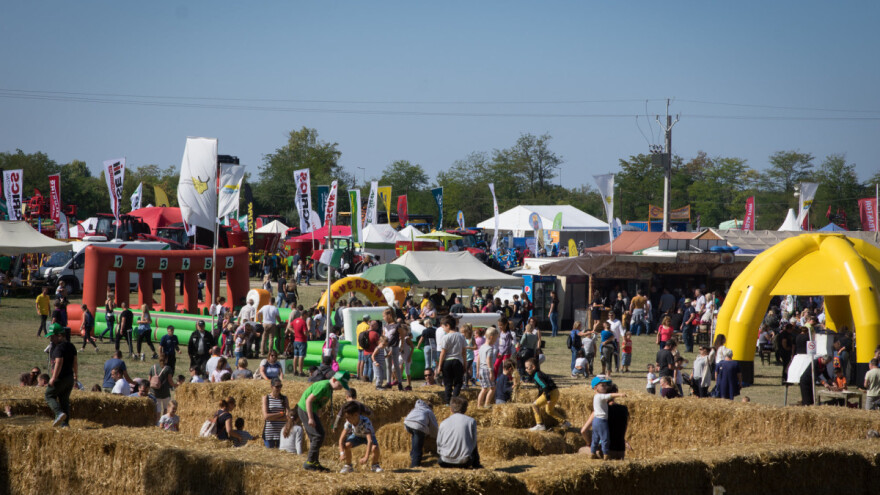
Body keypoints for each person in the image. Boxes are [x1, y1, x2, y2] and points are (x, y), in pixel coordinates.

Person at [295, 371, 350, 472]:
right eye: (340, 384)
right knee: (318, 436)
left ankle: (315, 462)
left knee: (318, 435)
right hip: (304, 409)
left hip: (311, 411)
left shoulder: (329, 389)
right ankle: (310, 462)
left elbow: (318, 401)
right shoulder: (323, 386)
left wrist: (317, 413)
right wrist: (311, 418)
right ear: (334, 380)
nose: (341, 388)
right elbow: (308, 400)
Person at [581, 377, 626, 460]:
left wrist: (588, 443)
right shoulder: (624, 409)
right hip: (621, 450)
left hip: (606, 451)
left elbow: (583, 431)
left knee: (581, 451)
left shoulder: (597, 412)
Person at [45, 323, 77, 427]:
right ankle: (65, 425)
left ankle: (58, 413)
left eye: (52, 336)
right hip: (69, 378)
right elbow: (75, 362)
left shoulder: (59, 348)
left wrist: (53, 378)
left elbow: (59, 362)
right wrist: (76, 376)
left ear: (60, 335)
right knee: (64, 401)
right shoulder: (71, 346)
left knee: (49, 395)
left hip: (60, 377)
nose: (51, 339)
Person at [525, 358, 570, 431]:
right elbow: (541, 388)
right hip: (555, 392)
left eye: (527, 368)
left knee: (535, 405)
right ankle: (565, 422)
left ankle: (539, 424)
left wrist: (548, 398)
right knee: (549, 410)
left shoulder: (537, 375)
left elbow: (544, 386)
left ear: (533, 367)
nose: (526, 369)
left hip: (550, 392)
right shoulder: (537, 374)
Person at [337, 401, 382, 473]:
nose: (347, 419)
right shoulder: (348, 423)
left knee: (375, 448)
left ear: (356, 415)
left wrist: (366, 457)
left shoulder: (365, 422)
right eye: (346, 417)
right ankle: (348, 466)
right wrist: (342, 453)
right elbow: (341, 439)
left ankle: (375, 465)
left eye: (348, 417)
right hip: (356, 436)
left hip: (367, 436)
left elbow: (369, 441)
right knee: (346, 445)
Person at [437, 396, 481, 469]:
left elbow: (439, 443)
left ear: (451, 409)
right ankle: (476, 466)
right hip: (464, 461)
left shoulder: (443, 423)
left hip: (445, 461)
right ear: (466, 409)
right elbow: (473, 442)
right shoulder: (471, 421)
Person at [435, 315, 467, 404]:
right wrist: (465, 364)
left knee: (448, 383)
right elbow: (464, 352)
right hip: (458, 361)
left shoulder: (445, 337)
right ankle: (454, 399)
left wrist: (440, 366)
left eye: (443, 326)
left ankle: (447, 402)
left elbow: (443, 353)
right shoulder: (461, 336)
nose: (443, 328)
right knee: (458, 383)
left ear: (448, 325)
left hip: (447, 362)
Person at [404, 399, 438, 468]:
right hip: (418, 426)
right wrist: (436, 436)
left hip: (407, 424)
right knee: (418, 448)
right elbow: (434, 426)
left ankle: (412, 454)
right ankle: (415, 466)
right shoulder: (428, 411)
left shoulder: (416, 408)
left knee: (414, 438)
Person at [262, 377, 289, 448]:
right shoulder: (266, 398)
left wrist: (273, 417)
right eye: (277, 387)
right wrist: (280, 414)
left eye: (280, 386)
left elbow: (288, 416)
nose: (279, 388)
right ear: (271, 387)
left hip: (281, 433)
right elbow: (266, 416)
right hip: (269, 434)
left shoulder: (284, 398)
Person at [382, 308, 404, 391]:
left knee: (396, 366)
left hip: (394, 347)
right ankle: (388, 382)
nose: (383, 318)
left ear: (389, 316)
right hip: (386, 347)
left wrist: (401, 346)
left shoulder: (397, 325)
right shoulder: (385, 325)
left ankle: (400, 383)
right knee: (388, 365)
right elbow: (383, 336)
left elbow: (402, 336)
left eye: (384, 316)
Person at [476, 327, 498, 408]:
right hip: (487, 370)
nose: (495, 341)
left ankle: (479, 405)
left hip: (481, 369)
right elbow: (488, 359)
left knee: (484, 389)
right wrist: (491, 371)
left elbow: (478, 358)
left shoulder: (482, 347)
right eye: (495, 339)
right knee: (492, 388)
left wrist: (477, 371)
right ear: (491, 337)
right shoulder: (490, 348)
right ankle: (487, 404)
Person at [149, 353, 175, 418]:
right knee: (166, 408)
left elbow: (149, 379)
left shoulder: (153, 367)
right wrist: (175, 385)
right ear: (166, 359)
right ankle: (163, 421)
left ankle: (158, 422)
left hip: (154, 391)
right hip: (165, 392)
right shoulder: (168, 368)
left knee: (158, 409)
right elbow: (170, 381)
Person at [288, 310, 308, 377]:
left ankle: (294, 371)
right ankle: (300, 371)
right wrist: (309, 333)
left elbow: (289, 327)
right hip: (302, 341)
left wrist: (294, 332)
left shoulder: (295, 320)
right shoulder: (303, 322)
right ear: (304, 315)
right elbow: (305, 333)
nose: (307, 316)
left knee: (295, 356)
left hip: (296, 341)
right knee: (301, 357)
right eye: (306, 315)